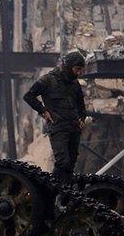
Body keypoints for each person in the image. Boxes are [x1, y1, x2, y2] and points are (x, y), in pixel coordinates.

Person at [23, 51, 87, 183]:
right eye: (77, 69)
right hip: (58, 128)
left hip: (74, 128)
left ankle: (62, 193)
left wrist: (82, 118)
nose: (79, 73)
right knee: (63, 162)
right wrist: (43, 111)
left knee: (70, 166)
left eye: (81, 70)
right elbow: (28, 96)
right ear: (69, 66)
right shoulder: (48, 80)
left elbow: (81, 103)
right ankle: (52, 187)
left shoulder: (75, 84)